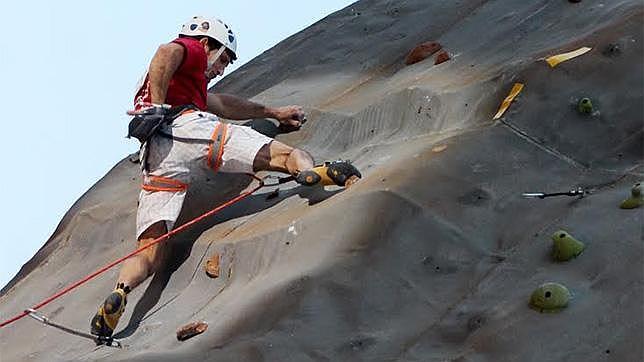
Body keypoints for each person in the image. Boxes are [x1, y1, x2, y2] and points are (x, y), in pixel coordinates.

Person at [90, 16, 361, 339]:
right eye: (223, 59)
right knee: (283, 156)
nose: (221, 69)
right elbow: (165, 52)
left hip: (156, 156)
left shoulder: (182, 84)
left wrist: (272, 112)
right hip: (188, 127)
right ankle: (309, 172)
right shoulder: (190, 48)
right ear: (208, 44)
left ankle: (121, 291)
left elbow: (223, 104)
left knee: (151, 248)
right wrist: (160, 107)